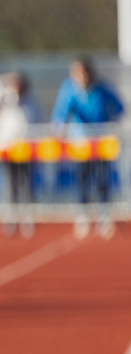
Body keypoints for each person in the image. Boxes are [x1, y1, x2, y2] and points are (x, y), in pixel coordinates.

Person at [51, 56, 124, 239]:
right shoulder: (69, 89)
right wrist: (59, 129)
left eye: (84, 73)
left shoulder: (103, 88)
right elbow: (61, 112)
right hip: (80, 142)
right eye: (77, 73)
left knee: (102, 178)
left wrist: (112, 123)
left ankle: (104, 214)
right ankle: (83, 214)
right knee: (82, 179)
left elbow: (120, 108)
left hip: (101, 141)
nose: (81, 77)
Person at [0, 71, 42, 237]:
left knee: (26, 184)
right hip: (6, 150)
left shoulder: (32, 102)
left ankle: (28, 216)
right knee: (8, 183)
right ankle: (10, 216)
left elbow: (37, 123)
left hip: (26, 151)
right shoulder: (4, 98)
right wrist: (0, 82)